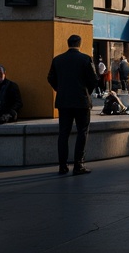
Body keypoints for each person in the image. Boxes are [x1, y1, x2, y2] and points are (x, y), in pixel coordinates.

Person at [47, 34, 99, 175]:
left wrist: (60, 89)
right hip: (81, 101)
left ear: (68, 43)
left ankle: (62, 166)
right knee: (82, 131)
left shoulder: (58, 60)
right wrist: (86, 91)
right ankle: (78, 164)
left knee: (63, 133)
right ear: (79, 44)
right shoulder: (85, 59)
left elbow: (50, 78)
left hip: (63, 101)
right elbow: (94, 80)